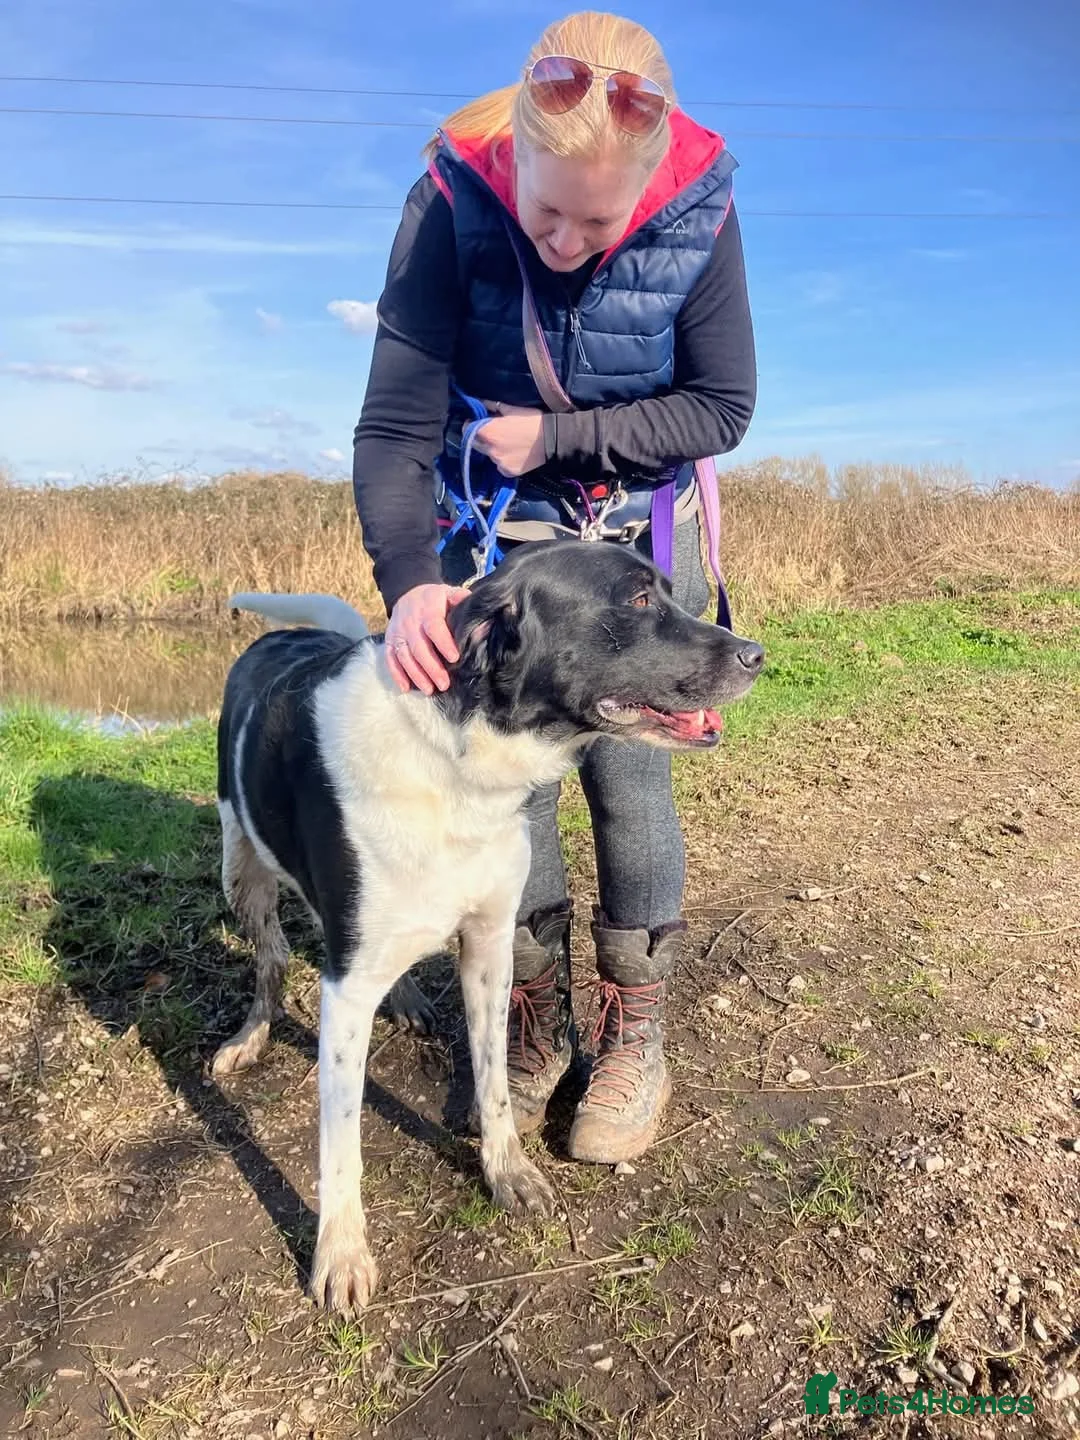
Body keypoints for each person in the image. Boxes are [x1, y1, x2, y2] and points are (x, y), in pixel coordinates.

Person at [352, 9, 756, 1164]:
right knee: (509, 794)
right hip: (490, 549)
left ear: (649, 183)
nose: (570, 241)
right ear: (512, 156)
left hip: (624, 538)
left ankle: (636, 1035)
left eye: (601, 218)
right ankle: (533, 1017)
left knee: (632, 783)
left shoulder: (702, 207)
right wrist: (413, 584)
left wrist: (560, 442)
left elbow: (721, 405)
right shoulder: (445, 200)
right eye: (546, 214)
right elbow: (392, 427)